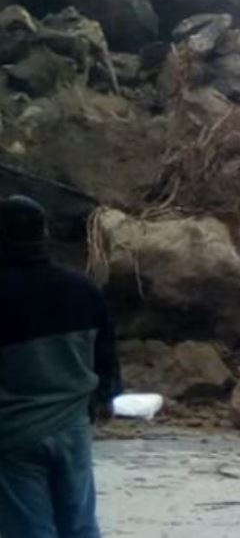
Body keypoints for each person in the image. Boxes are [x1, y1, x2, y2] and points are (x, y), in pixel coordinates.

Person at [0, 195, 121, 538]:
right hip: (72, 427)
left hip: (15, 435)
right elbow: (107, 356)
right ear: (44, 234)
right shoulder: (81, 289)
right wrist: (105, 399)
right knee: (80, 527)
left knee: (30, 530)